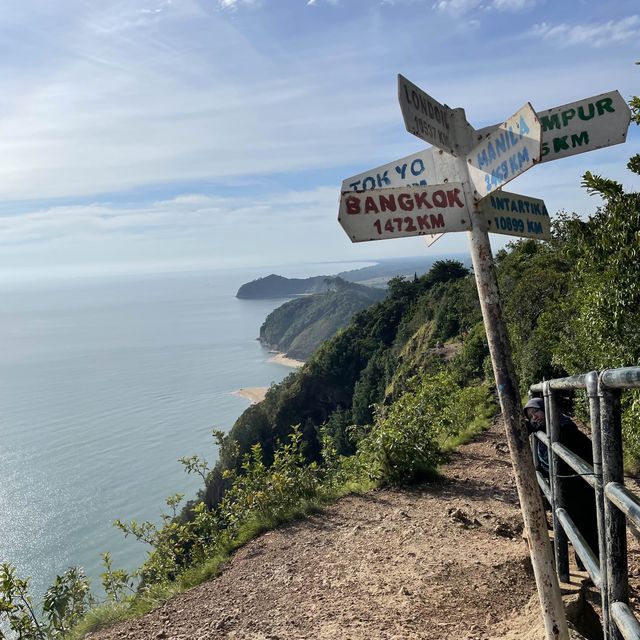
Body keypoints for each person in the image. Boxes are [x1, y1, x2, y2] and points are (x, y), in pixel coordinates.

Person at [524, 397, 599, 566]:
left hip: (580, 487)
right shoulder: (546, 428)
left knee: (584, 526)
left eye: (536, 411)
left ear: (547, 409)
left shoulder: (565, 428)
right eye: (530, 415)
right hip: (565, 486)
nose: (534, 417)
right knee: (571, 524)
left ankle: (594, 568)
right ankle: (585, 565)